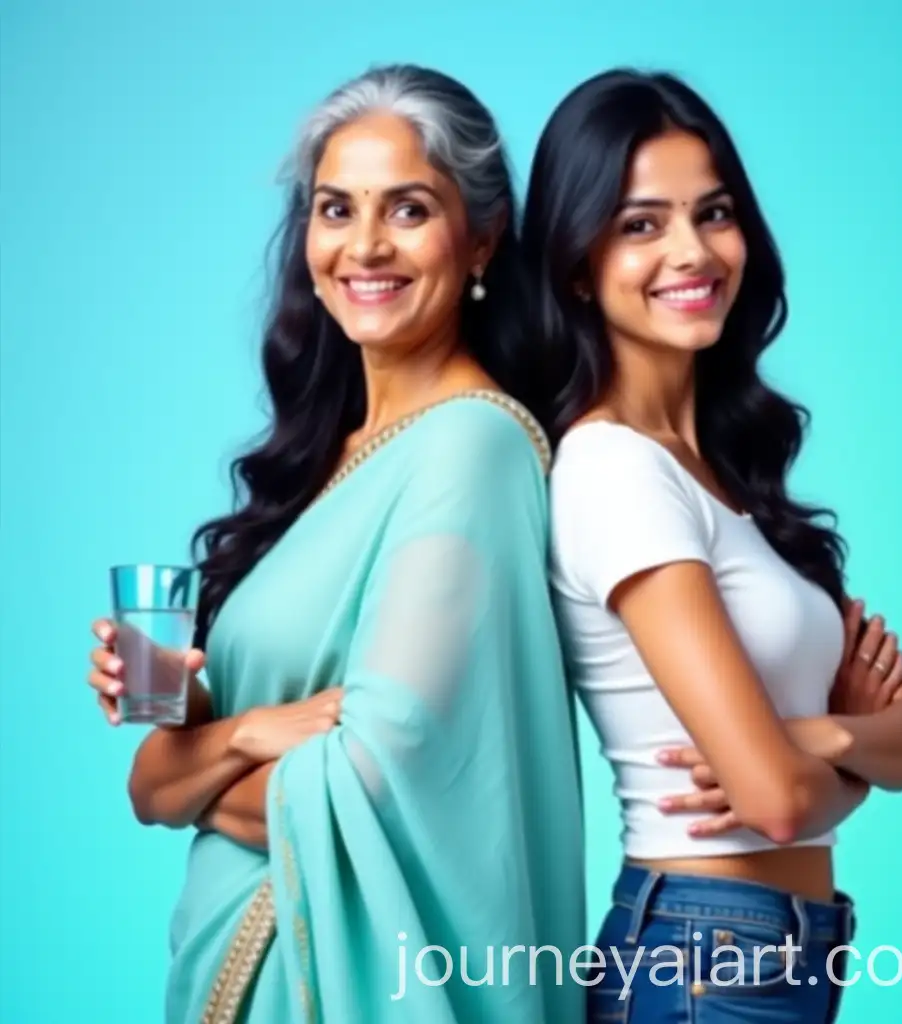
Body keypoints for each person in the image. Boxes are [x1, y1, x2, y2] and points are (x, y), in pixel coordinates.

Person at [86, 64, 585, 1024]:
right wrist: (218, 717)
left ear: (480, 236)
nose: (364, 246)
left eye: (407, 210)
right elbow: (156, 776)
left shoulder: (472, 446)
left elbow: (376, 786)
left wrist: (184, 771)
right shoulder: (333, 456)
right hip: (235, 969)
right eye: (334, 208)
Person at [522, 68, 902, 1023]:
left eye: (713, 214)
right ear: (576, 262)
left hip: (765, 956)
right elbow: (777, 802)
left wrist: (821, 738)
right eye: (641, 224)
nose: (692, 251)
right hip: (702, 959)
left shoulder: (722, 475)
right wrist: (845, 760)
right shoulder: (613, 472)